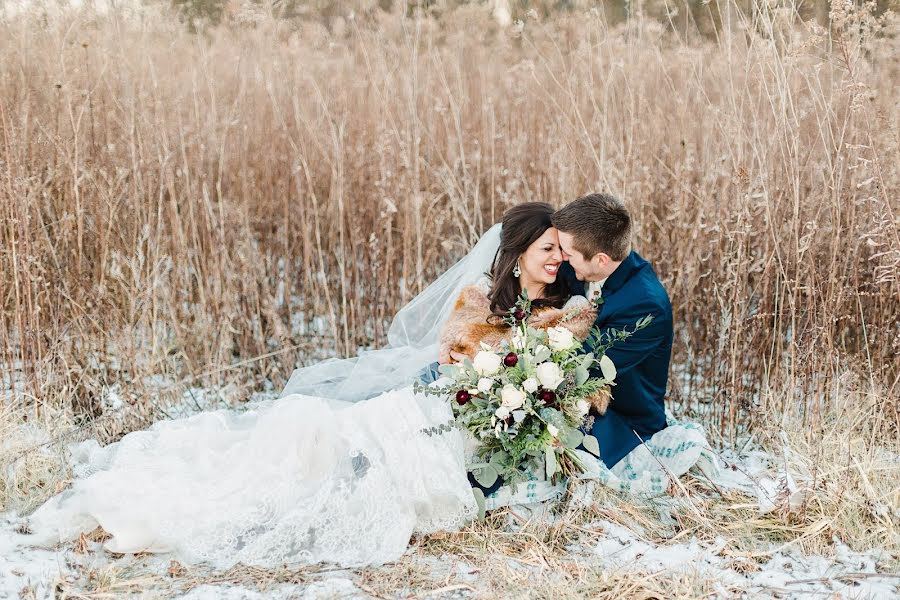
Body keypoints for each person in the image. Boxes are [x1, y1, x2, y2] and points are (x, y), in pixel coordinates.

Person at [24, 203, 595, 569]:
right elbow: (456, 353)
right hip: (436, 402)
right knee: (332, 440)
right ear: (517, 253)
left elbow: (540, 359)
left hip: (466, 417)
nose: (556, 261)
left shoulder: (562, 313)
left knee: (376, 459)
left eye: (560, 253)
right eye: (547, 250)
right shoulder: (476, 299)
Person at [552, 193, 673, 469]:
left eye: (567, 254)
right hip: (580, 396)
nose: (561, 259)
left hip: (623, 418)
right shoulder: (591, 263)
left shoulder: (645, 305)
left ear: (601, 260)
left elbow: (584, 365)